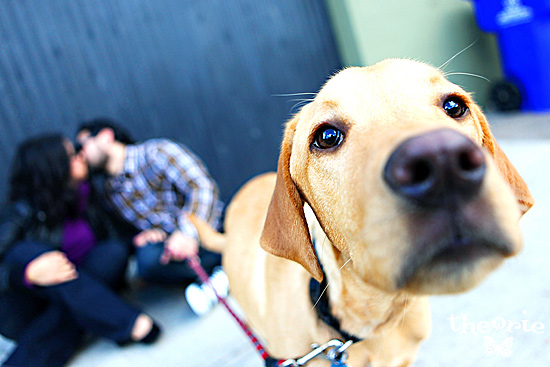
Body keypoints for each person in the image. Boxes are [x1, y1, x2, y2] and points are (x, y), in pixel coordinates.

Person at [0, 134, 161, 367]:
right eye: (73, 154)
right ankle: (129, 323)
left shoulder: (86, 194)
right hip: (28, 306)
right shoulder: (21, 212)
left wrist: (138, 238)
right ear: (53, 167)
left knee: (112, 253)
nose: (81, 155)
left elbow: (114, 237)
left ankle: (116, 320)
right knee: (25, 251)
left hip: (84, 295)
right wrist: (27, 275)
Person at [75, 118, 228, 315]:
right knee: (147, 261)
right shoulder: (109, 191)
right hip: (173, 248)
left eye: (82, 144)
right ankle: (222, 273)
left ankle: (220, 274)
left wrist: (187, 233)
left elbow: (202, 187)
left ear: (105, 137)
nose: (80, 154)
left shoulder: (157, 152)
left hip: (208, 225)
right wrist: (147, 234)